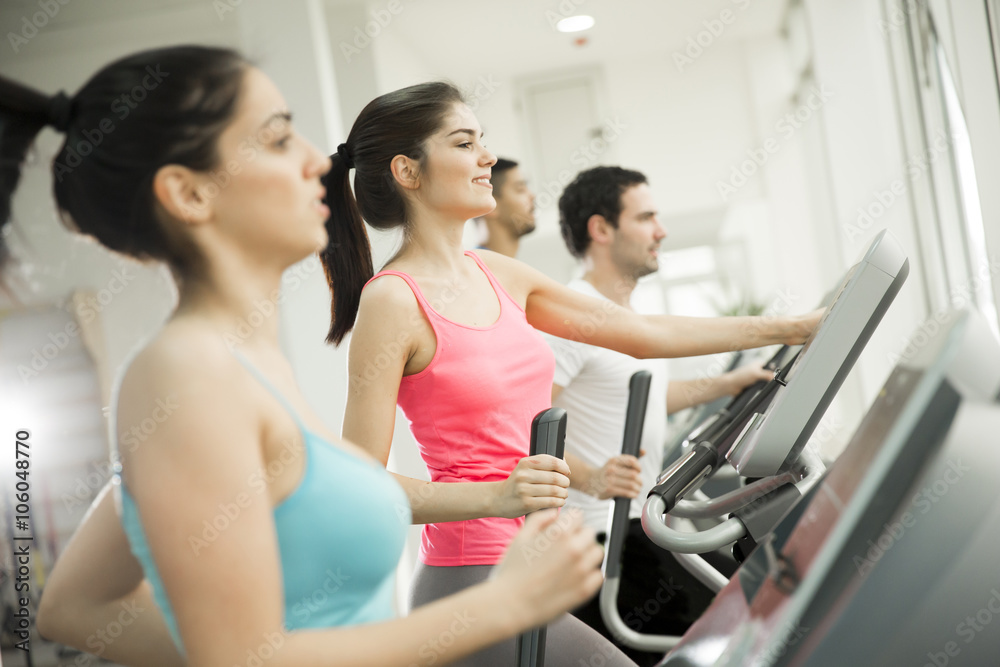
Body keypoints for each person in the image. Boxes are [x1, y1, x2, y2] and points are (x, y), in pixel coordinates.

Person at [7, 46, 607, 667]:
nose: (312, 161)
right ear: (188, 194)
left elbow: (75, 608)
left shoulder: (243, 368)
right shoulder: (185, 372)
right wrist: (499, 605)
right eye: (277, 139)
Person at [322, 83, 822, 666]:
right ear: (407, 170)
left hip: (541, 565)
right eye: (465, 143)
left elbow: (642, 334)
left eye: (483, 140)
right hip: (474, 579)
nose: (487, 157)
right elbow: (362, 487)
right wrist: (499, 494)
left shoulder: (495, 272)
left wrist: (791, 328)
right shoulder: (392, 301)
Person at [548, 166, 773, 665]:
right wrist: (590, 475)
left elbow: (643, 397)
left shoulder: (629, 319)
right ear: (601, 229)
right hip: (602, 546)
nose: (661, 230)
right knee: (745, 627)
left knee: (759, 595)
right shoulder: (571, 317)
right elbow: (527, 421)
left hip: (638, 529)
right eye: (646, 216)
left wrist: (726, 384)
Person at [477, 157, 536, 257]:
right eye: (520, 189)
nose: (532, 196)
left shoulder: (509, 268)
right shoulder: (474, 269)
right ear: (492, 205)